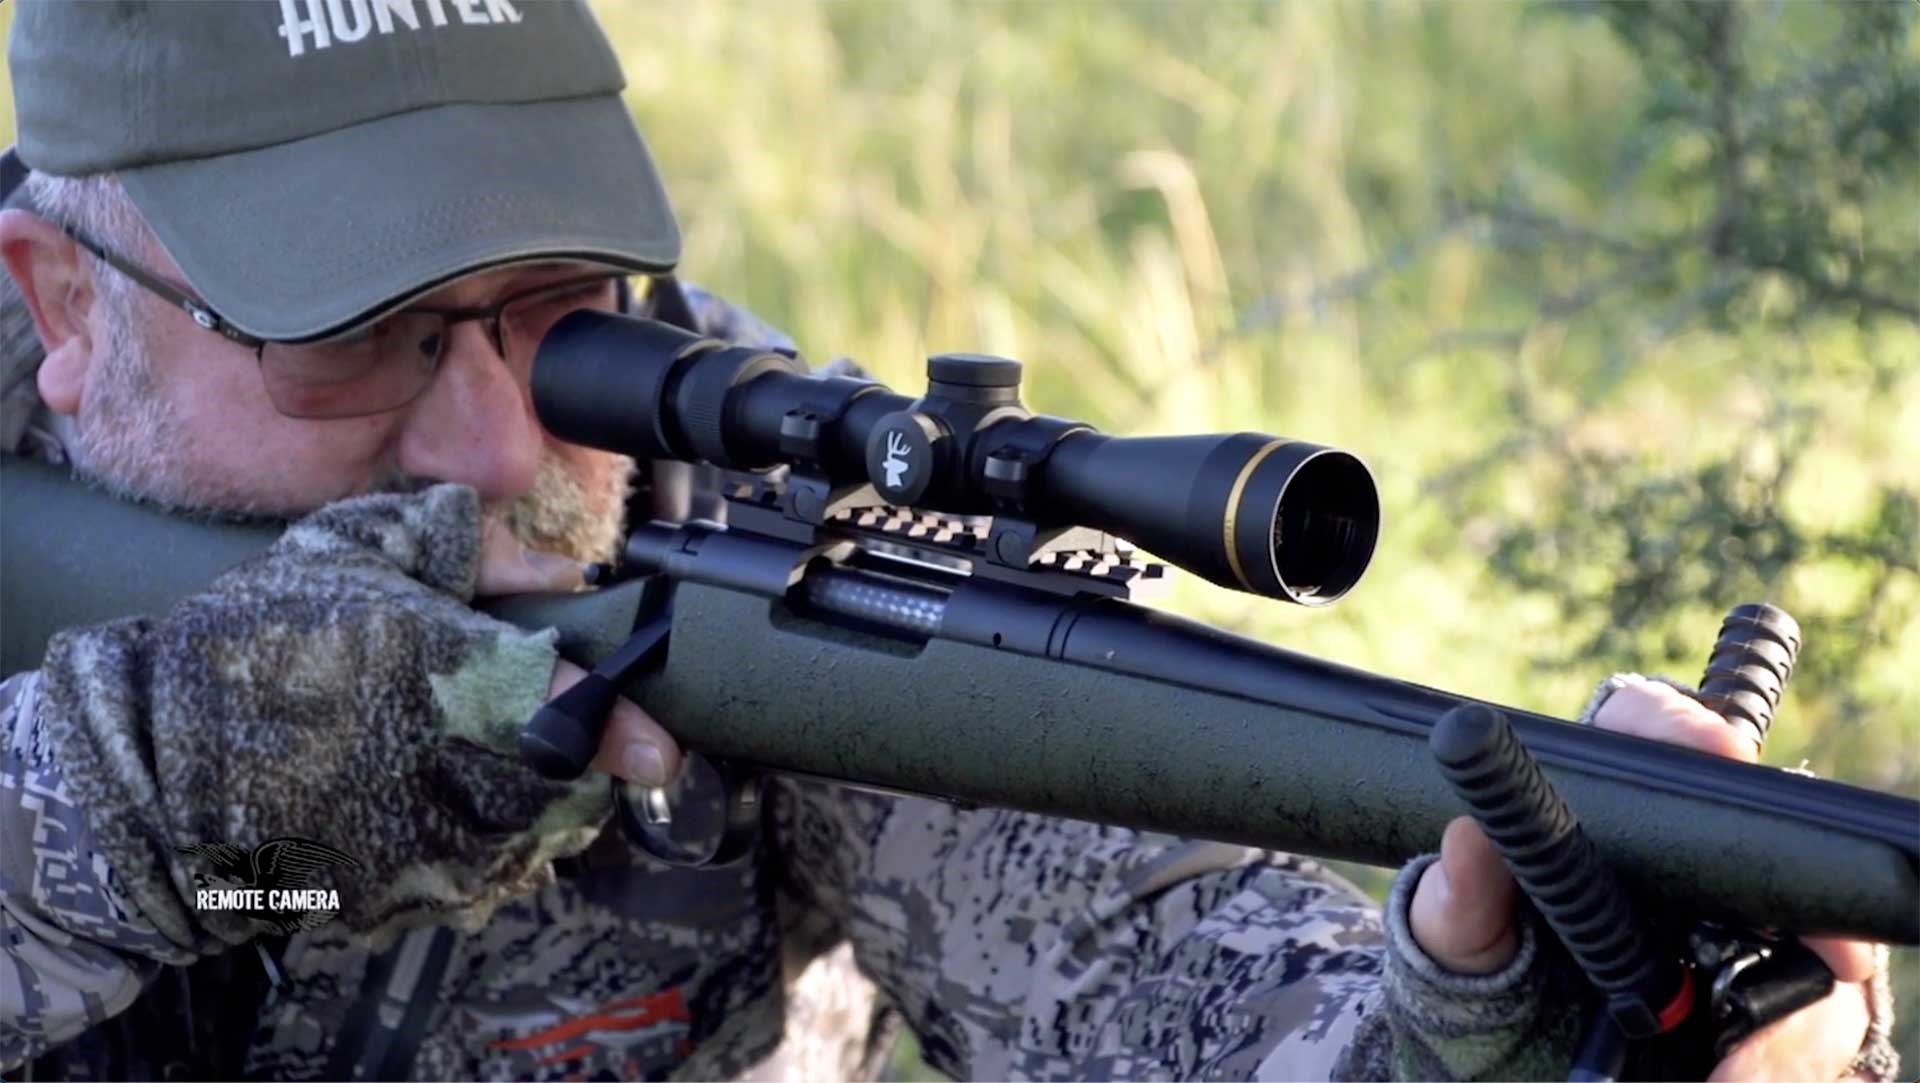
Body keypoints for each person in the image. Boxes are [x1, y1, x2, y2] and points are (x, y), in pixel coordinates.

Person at [0, 2, 1895, 1080]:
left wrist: (1487, 1009)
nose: (502, 441)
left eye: (561, 305)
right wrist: (126, 799)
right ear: (63, 305)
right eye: (356, 339)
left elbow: (1180, 1000)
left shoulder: (752, 519)